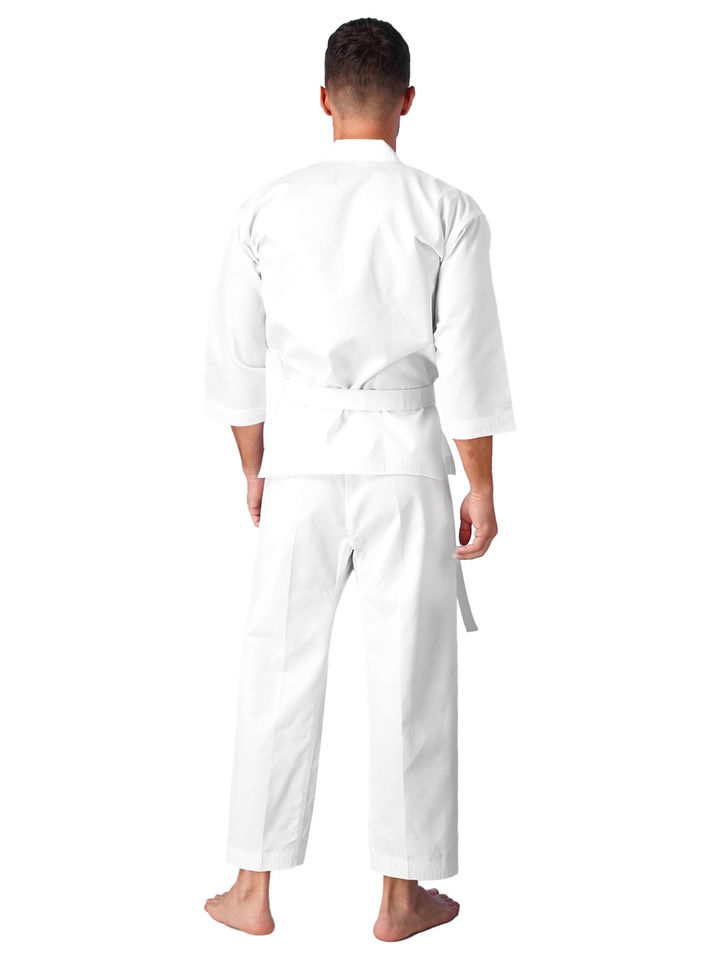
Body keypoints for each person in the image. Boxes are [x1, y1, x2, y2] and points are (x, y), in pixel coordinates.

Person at [202, 17, 515, 942]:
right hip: (405, 460)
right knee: (412, 672)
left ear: (324, 99)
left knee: (276, 662)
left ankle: (251, 891)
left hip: (300, 459)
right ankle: (400, 899)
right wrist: (482, 486)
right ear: (408, 101)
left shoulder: (266, 206)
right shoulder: (448, 209)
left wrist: (255, 467)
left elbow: (236, 359)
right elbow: (472, 364)